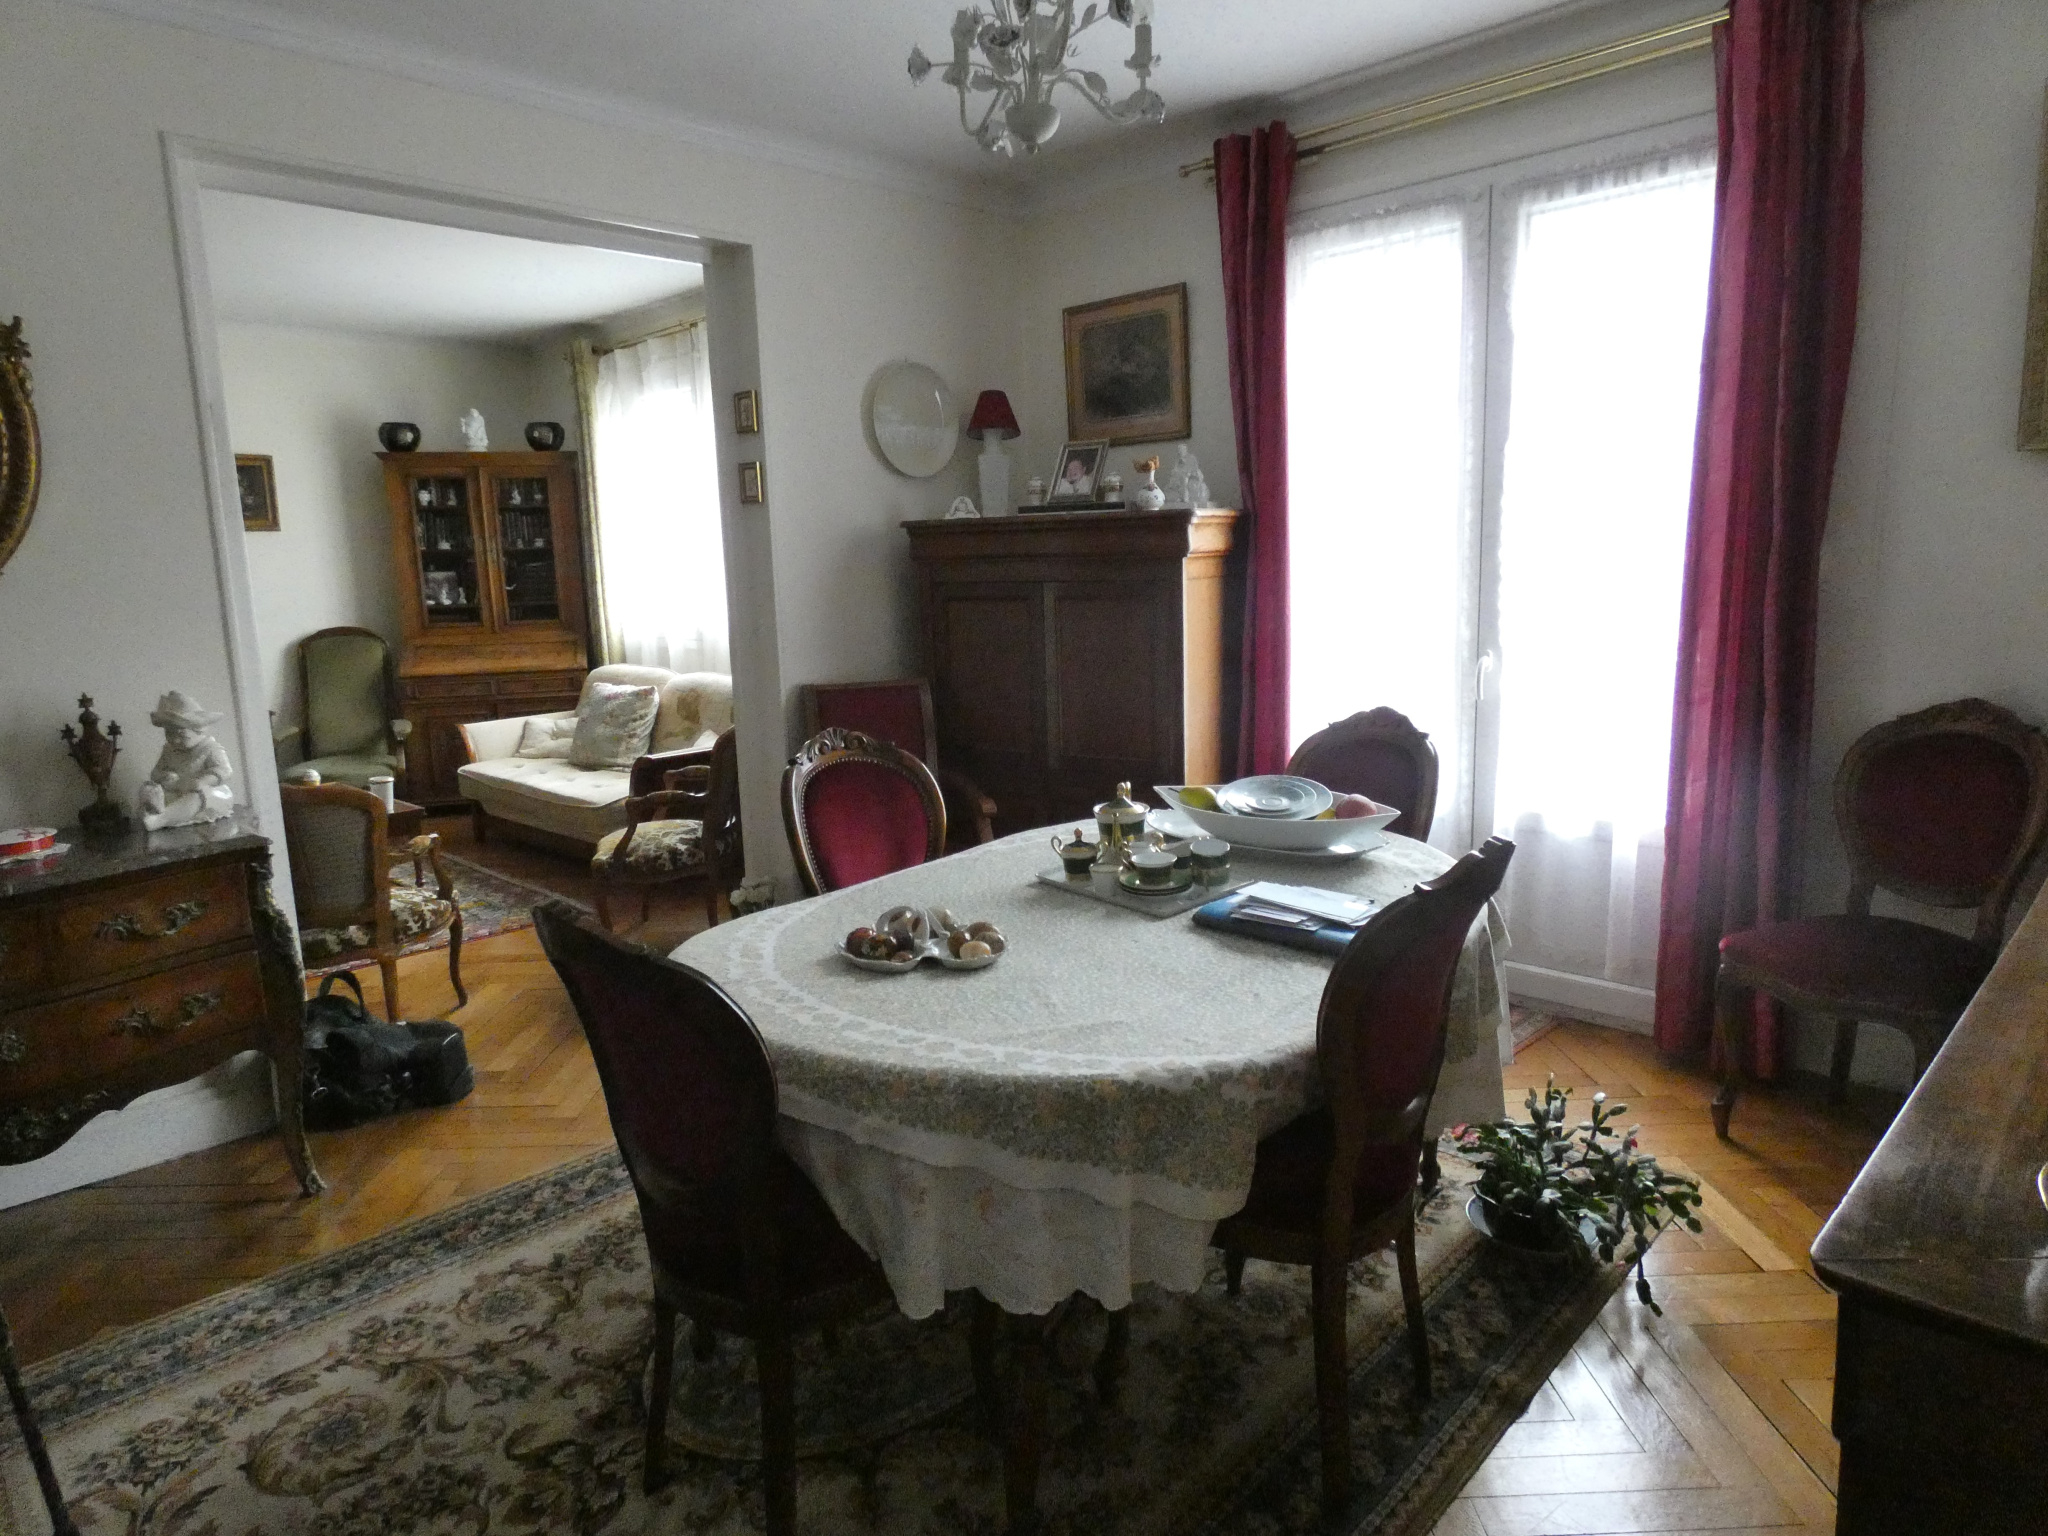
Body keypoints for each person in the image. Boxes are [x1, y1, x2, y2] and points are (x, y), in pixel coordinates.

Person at [137, 691, 236, 831]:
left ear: (197, 729)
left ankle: (160, 819)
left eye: (181, 735)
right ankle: (155, 810)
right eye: (169, 734)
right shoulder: (169, 750)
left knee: (200, 797)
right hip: (175, 790)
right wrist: (163, 776)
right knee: (148, 788)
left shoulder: (210, 748)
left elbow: (224, 770)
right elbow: (156, 773)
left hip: (203, 794)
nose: (175, 740)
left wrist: (202, 781)